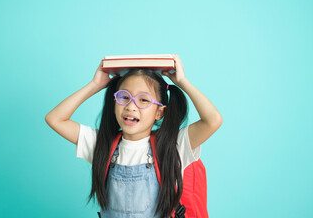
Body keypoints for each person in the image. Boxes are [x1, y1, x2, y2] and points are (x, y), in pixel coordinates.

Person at [45, 54, 223, 218]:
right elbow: (55, 119)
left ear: (159, 112)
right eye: (124, 97)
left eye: (143, 100)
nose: (131, 106)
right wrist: (95, 85)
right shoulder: (101, 145)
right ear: (114, 101)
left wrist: (183, 81)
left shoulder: (173, 146)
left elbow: (213, 120)